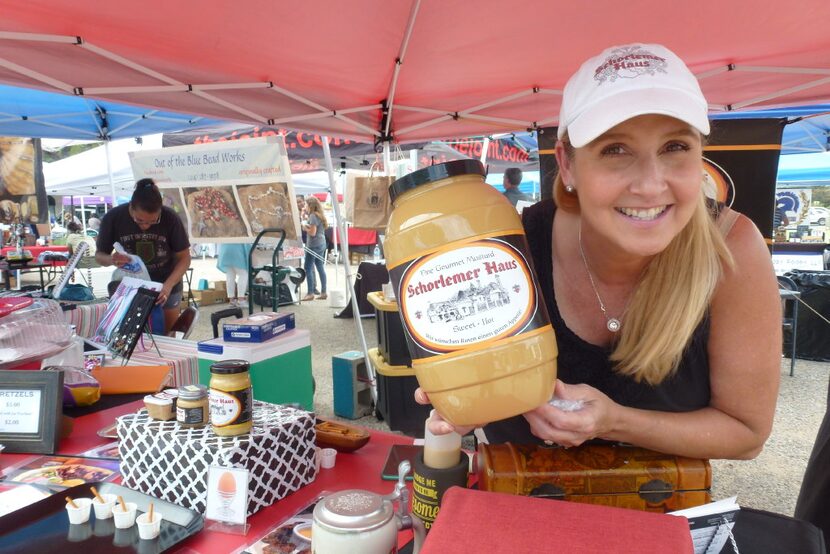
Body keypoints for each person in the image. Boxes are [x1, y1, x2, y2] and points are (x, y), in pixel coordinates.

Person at [417, 43, 780, 461]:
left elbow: (748, 434)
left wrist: (614, 421)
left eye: (674, 147)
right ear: (568, 165)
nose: (649, 185)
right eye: (615, 150)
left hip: (665, 512)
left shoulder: (731, 248)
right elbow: (470, 381)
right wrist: (464, 394)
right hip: (521, 507)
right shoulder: (513, 245)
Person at [96, 178, 191, 334]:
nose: (145, 226)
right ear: (131, 207)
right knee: (131, 336)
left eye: (153, 221)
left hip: (166, 284)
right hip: (131, 288)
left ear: (160, 210)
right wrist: (112, 259)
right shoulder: (114, 217)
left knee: (166, 338)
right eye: (139, 220)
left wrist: (167, 287)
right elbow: (99, 256)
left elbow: (185, 258)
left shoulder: (170, 218)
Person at [301, 195, 327, 301]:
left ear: (310, 205)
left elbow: (312, 232)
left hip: (314, 244)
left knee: (308, 267)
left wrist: (304, 227)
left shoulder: (313, 215)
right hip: (321, 243)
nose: (304, 206)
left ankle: (310, 293)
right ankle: (323, 292)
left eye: (306, 204)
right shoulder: (318, 214)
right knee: (320, 267)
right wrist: (304, 219)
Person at [217, 242, 252, 306]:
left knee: (230, 276)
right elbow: (246, 244)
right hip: (237, 253)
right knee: (243, 274)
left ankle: (231, 300)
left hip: (225, 251)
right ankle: (241, 299)